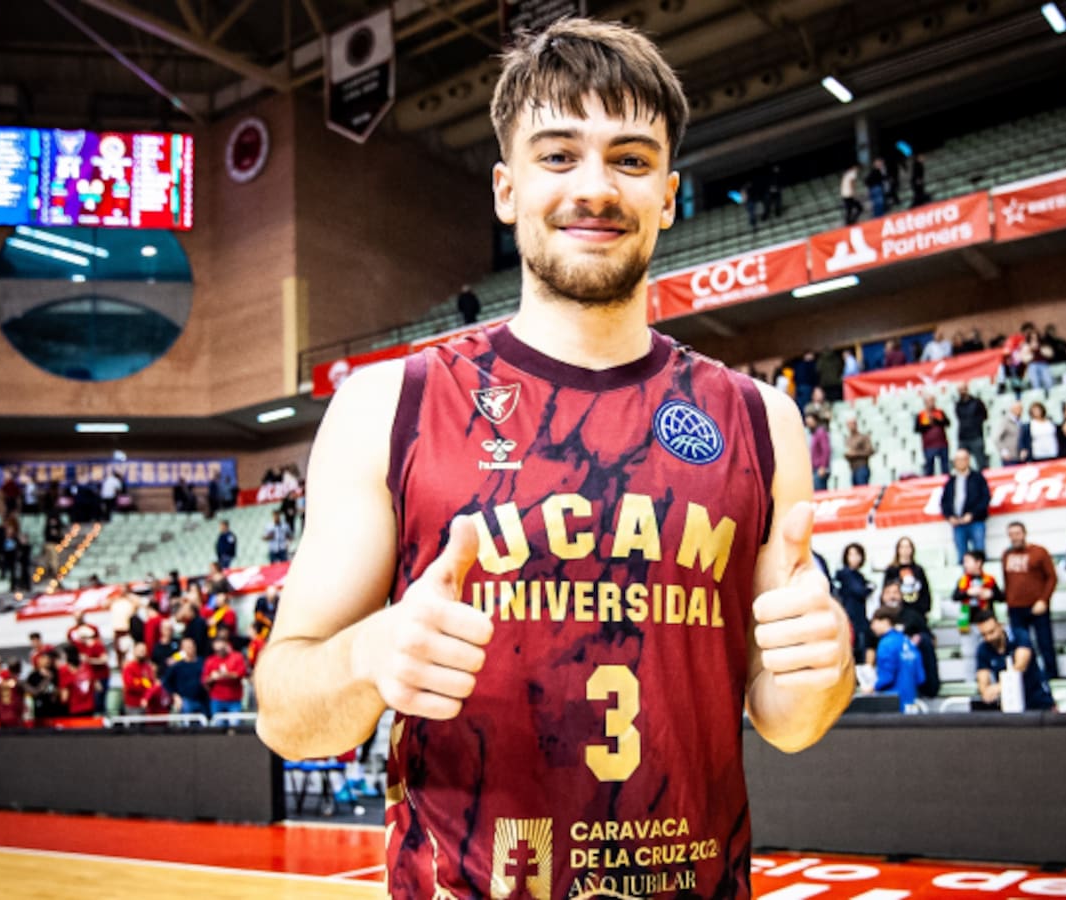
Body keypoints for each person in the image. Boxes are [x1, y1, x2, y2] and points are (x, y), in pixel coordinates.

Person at [254, 20, 853, 897]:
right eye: (559, 155)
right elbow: (284, 713)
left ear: (669, 196)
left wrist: (823, 671)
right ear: (507, 189)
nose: (596, 187)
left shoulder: (762, 421)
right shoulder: (390, 406)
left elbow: (786, 720)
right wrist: (370, 656)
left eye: (631, 159)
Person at [1001, 522, 1059, 679]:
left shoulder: (1039, 552)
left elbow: (1052, 578)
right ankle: (1027, 676)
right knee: (1021, 644)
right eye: (1011, 534)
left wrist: (1044, 600)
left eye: (1017, 533)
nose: (1014, 537)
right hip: (1015, 607)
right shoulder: (1006, 555)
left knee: (1045, 643)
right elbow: (1007, 580)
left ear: (1024, 533)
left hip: (1037, 606)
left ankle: (1051, 675)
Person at [975, 612, 1055, 711]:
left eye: (991, 632)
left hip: (1036, 696)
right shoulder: (983, 649)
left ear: (1000, 626)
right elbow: (982, 677)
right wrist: (985, 692)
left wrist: (1000, 687)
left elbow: (1020, 666)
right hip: (1011, 701)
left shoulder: (1019, 636)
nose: (988, 638)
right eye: (984, 635)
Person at [866, 608, 925, 711]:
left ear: (885, 621)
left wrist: (872, 688)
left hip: (892, 703)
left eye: (874, 622)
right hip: (911, 701)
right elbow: (920, 677)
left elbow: (886, 676)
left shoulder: (886, 644)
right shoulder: (908, 642)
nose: (872, 627)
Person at [941, 448, 991, 562]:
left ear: (968, 460)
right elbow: (944, 502)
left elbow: (985, 499)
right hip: (958, 523)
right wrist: (949, 516)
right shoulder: (951, 481)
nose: (960, 462)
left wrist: (972, 514)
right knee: (961, 555)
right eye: (957, 460)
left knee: (979, 554)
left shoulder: (978, 478)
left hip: (976, 521)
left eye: (962, 459)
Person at [833, 542, 873, 663]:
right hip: (850, 618)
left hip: (860, 617)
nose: (854, 558)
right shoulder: (845, 574)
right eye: (851, 554)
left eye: (857, 554)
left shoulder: (859, 576)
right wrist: (869, 588)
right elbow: (860, 591)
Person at [883, 537, 931, 621]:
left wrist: (926, 609)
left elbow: (925, 591)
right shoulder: (891, 570)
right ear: (898, 550)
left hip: (917, 611)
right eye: (902, 547)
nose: (905, 550)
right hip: (898, 611)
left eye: (908, 547)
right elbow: (885, 591)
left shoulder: (918, 569)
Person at [203, 635, 247, 725]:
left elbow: (241, 673)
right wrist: (212, 678)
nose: (220, 652)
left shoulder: (236, 657)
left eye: (222, 649)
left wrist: (225, 675)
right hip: (217, 699)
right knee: (218, 726)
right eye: (217, 650)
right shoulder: (210, 660)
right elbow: (204, 680)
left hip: (234, 698)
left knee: (235, 725)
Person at [163, 638, 208, 716]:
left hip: (202, 700)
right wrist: (175, 696)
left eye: (192, 646)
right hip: (185, 700)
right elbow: (166, 682)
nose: (190, 649)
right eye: (187, 647)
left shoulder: (202, 662)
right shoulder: (177, 665)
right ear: (182, 649)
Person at [954, 383, 989, 472]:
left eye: (963, 389)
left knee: (981, 462)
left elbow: (985, 416)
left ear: (967, 389)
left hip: (976, 436)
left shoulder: (977, 402)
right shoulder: (958, 404)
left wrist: (975, 423)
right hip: (963, 437)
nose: (961, 392)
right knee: (962, 463)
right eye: (959, 390)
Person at [915, 394, 952, 476]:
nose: (931, 403)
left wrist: (936, 420)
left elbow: (947, 423)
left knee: (945, 467)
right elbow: (917, 429)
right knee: (929, 467)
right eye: (929, 401)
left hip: (942, 444)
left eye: (932, 401)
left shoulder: (940, 412)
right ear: (925, 403)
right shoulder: (921, 415)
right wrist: (928, 423)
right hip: (929, 446)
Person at [121, 642, 160, 716]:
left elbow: (151, 685)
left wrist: (146, 697)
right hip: (132, 705)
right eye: (140, 650)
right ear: (134, 651)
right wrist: (143, 682)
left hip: (147, 704)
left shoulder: (147, 667)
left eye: (144, 650)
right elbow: (130, 685)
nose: (142, 652)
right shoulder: (129, 667)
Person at [843, 417, 874, 486]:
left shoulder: (863, 437)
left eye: (852, 424)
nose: (850, 426)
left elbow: (870, 451)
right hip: (852, 469)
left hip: (862, 467)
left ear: (856, 424)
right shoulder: (848, 439)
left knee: (862, 489)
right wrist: (847, 455)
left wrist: (856, 453)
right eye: (849, 425)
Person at [806, 412, 831, 491]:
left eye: (810, 422)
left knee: (820, 491)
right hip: (813, 469)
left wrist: (823, 466)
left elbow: (826, 450)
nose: (809, 425)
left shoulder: (821, 432)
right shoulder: (811, 434)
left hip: (819, 469)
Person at [995, 401, 1024, 466]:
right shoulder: (1005, 421)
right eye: (1018, 408)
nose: (1020, 411)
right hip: (1009, 457)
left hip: (1020, 456)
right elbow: (997, 438)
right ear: (1012, 409)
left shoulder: (1019, 421)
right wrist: (1004, 451)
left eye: (1021, 409)